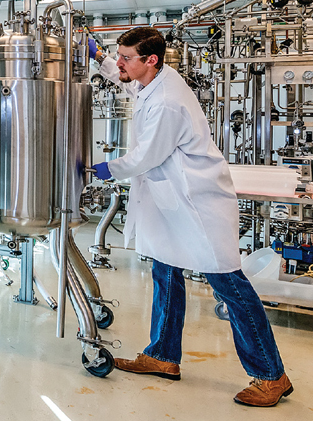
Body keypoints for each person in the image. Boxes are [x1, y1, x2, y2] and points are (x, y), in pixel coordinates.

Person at [88, 27, 292, 407]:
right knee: (165, 272)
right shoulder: (153, 78)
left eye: (126, 57)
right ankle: (163, 356)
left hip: (197, 205)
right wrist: (98, 56)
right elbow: (128, 83)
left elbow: (145, 157)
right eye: (119, 56)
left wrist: (99, 169)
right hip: (174, 204)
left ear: (151, 59)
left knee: (228, 284)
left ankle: (271, 374)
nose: (120, 63)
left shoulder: (167, 100)